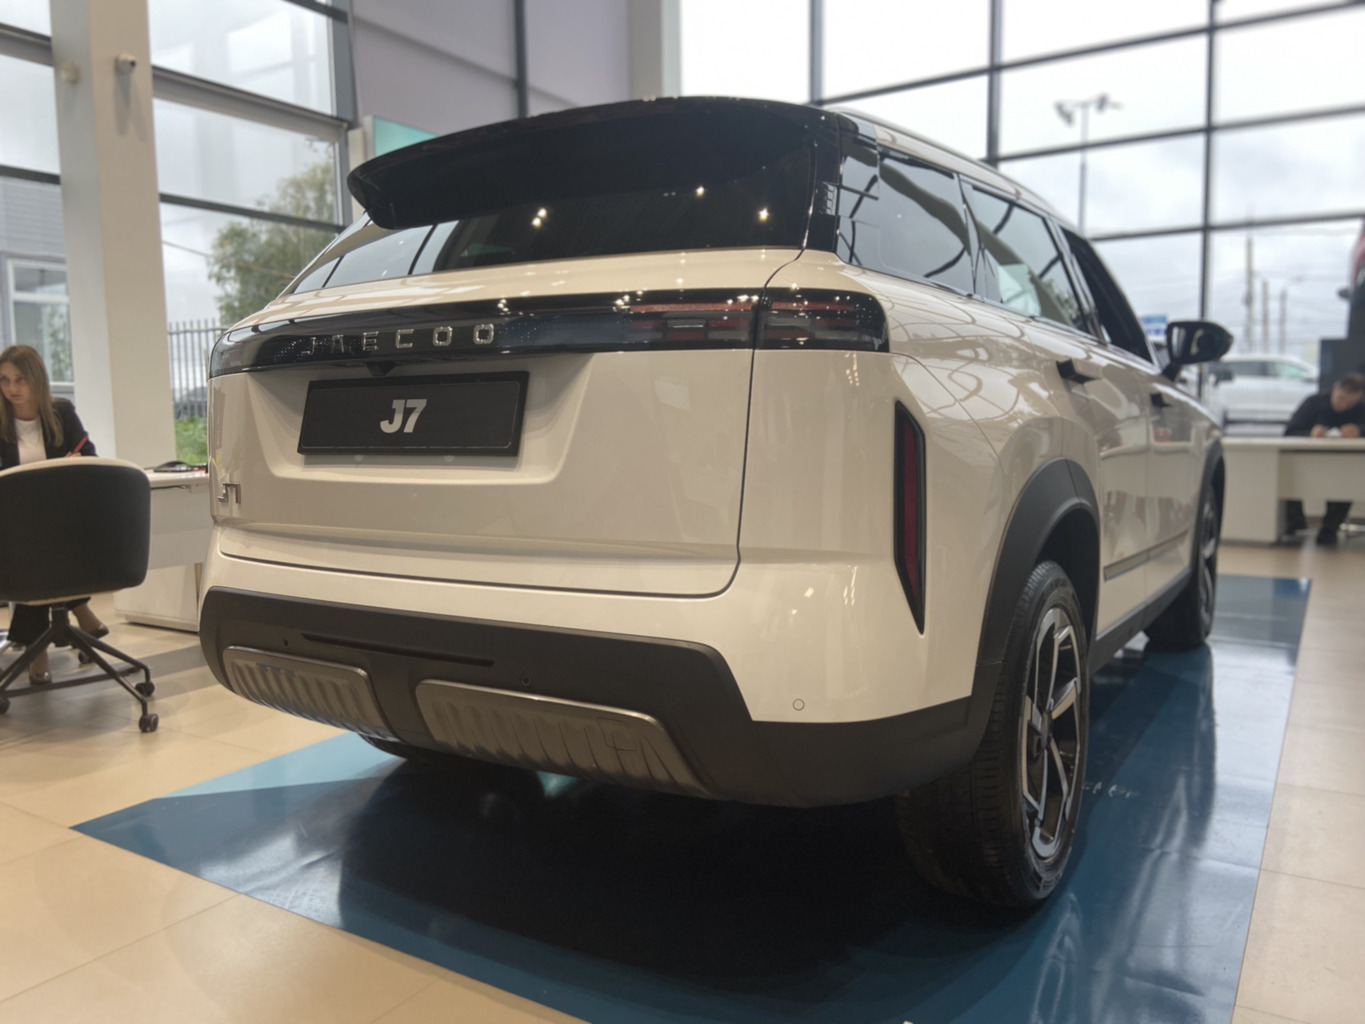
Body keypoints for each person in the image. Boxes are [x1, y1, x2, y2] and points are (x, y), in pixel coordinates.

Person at [0, 344, 108, 684]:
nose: (12, 388)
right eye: (4, 379)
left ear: (37, 380)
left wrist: (78, 460)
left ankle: (38, 649)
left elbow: (89, 455)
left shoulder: (61, 412)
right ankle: (79, 609)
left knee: (41, 547)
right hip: (10, 521)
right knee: (34, 548)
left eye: (20, 379)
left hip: (58, 517)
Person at [1282, 371, 1365, 546]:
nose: (1344, 405)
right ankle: (1294, 522)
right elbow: (1290, 432)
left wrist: (1359, 431)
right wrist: (1310, 433)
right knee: (1287, 473)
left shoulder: (1361, 410)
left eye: (1350, 403)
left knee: (1346, 481)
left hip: (1345, 463)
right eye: (1341, 398)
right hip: (1307, 460)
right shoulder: (1313, 403)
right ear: (1335, 389)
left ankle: (1330, 528)